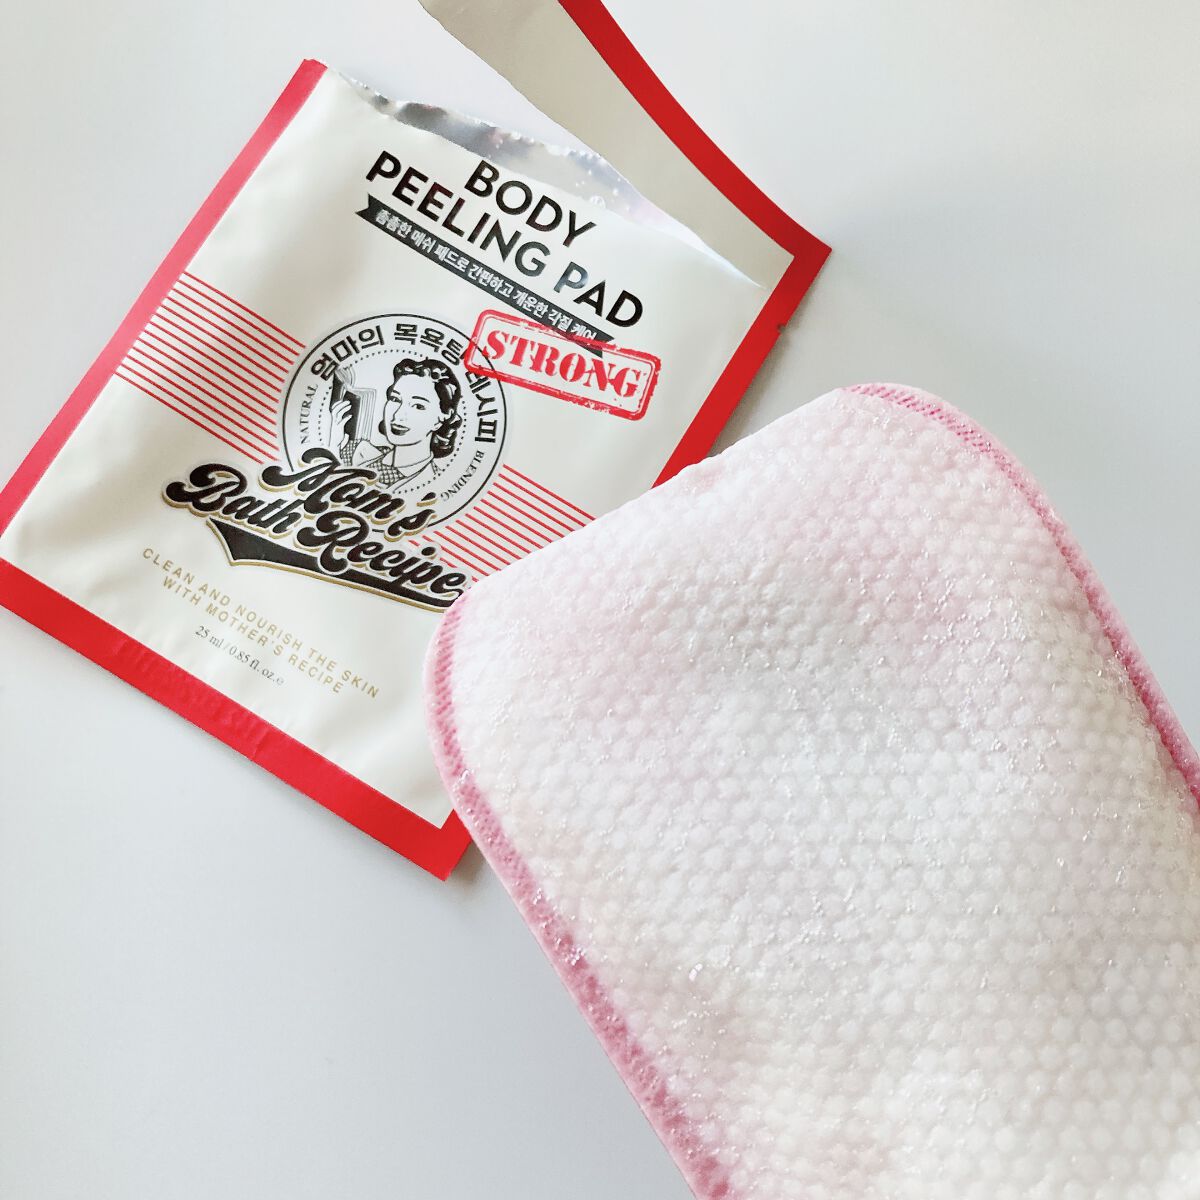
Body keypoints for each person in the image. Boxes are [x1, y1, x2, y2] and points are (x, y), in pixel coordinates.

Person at [328, 357, 463, 489]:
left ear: (443, 417)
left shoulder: (434, 483)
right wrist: (334, 443)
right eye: (395, 399)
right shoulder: (357, 452)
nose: (398, 415)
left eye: (418, 406)